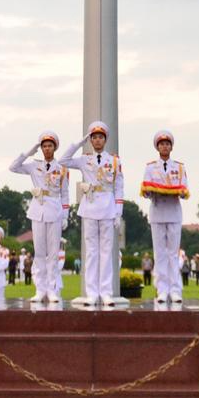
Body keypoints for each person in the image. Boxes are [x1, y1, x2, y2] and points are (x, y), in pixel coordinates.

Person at [61, 121, 125, 307]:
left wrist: (118, 211)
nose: (97, 140)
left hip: (107, 206)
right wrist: (79, 143)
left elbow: (119, 187)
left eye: (100, 137)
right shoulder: (84, 159)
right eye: (94, 137)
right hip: (89, 206)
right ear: (91, 140)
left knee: (106, 252)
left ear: (105, 140)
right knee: (91, 252)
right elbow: (63, 161)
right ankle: (92, 293)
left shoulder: (114, 161)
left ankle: (105, 292)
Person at [10, 132, 72, 305]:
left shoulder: (62, 168)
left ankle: (52, 289)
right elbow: (13, 167)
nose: (46, 149)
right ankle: (40, 289)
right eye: (44, 146)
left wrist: (66, 215)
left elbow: (65, 194)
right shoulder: (33, 165)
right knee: (39, 253)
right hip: (38, 210)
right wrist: (30, 151)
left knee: (53, 254)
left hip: (54, 209)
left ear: (55, 148)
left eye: (49, 146)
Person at [140, 130, 189, 308]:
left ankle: (175, 289)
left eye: (167, 144)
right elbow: (145, 190)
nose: (164, 146)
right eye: (161, 144)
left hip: (174, 211)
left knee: (173, 254)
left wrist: (179, 191)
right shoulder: (151, 167)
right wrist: (151, 191)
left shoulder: (180, 167)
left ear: (171, 146)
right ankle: (162, 289)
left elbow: (184, 190)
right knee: (160, 253)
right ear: (157, 147)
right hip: (158, 210)